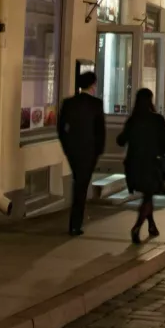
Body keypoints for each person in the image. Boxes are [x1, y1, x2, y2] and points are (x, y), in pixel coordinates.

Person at [117, 89, 165, 244]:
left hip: (134, 164)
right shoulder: (157, 120)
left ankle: (152, 226)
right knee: (148, 196)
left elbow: (121, 140)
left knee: (148, 195)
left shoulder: (133, 119)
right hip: (151, 163)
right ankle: (137, 227)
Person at [58, 71, 106, 236]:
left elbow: (61, 127)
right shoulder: (96, 104)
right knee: (81, 186)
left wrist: (66, 146)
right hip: (89, 150)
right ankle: (75, 224)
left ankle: (75, 223)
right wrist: (98, 151)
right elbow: (100, 130)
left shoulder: (69, 103)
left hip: (73, 149)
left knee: (78, 182)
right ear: (92, 85)